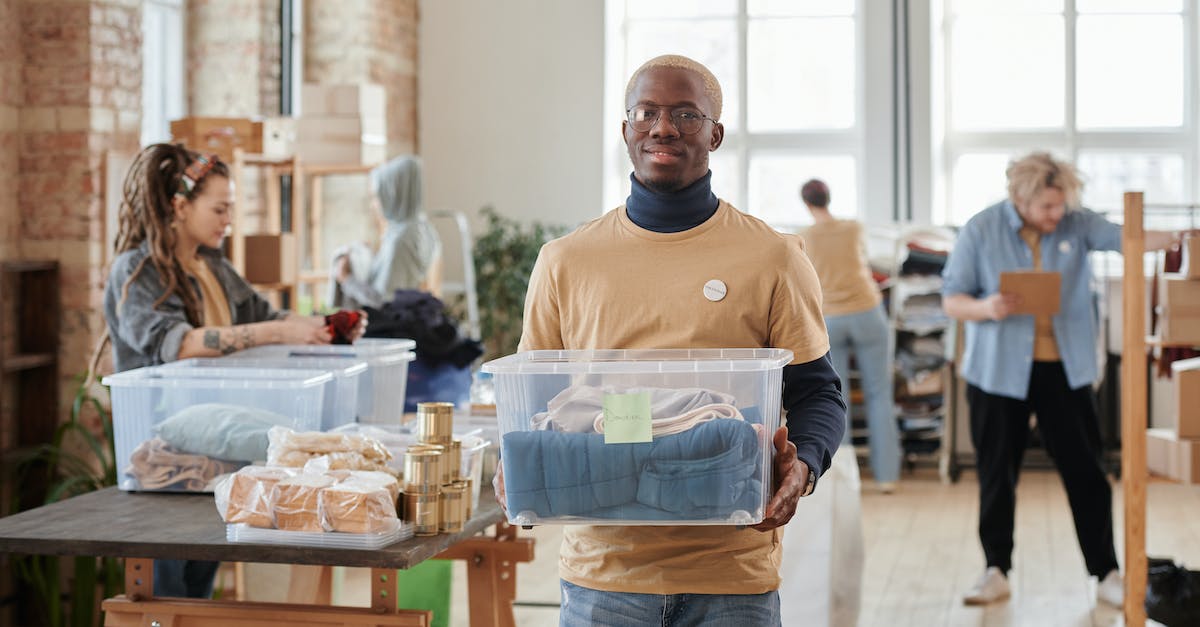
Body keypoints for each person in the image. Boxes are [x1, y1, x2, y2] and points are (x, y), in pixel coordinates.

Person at [493, 54, 846, 625]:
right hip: (602, 577)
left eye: (686, 113)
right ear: (627, 129)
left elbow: (817, 394)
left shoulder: (774, 256)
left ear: (716, 133)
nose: (663, 127)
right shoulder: (565, 261)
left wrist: (802, 467)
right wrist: (516, 468)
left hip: (733, 575)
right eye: (647, 112)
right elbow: (536, 406)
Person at [103, 143, 364, 598]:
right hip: (162, 463)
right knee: (166, 596)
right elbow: (180, 344)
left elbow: (259, 315)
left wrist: (317, 328)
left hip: (214, 459)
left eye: (231, 209)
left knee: (198, 589)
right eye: (219, 209)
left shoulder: (214, 267)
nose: (229, 220)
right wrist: (276, 333)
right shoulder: (136, 271)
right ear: (179, 206)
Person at [942, 151, 1183, 607]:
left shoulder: (1076, 222)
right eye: (1047, 208)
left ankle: (1106, 571)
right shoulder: (981, 228)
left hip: (1064, 370)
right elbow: (952, 298)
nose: (1056, 214)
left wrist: (1178, 238)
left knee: (1087, 474)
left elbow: (1126, 238)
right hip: (996, 373)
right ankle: (996, 569)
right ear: (1020, 198)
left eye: (1061, 205)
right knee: (997, 475)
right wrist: (987, 307)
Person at [800, 179, 900, 493]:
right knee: (880, 394)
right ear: (829, 197)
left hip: (830, 318)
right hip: (868, 312)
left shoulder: (804, 237)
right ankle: (887, 479)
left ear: (807, 203)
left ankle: (842, 483)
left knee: (834, 401)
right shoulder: (854, 228)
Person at [332, 155, 443, 309]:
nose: (374, 205)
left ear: (393, 194)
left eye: (377, 197)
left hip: (392, 329)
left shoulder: (402, 239)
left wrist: (346, 279)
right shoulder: (424, 229)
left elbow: (384, 303)